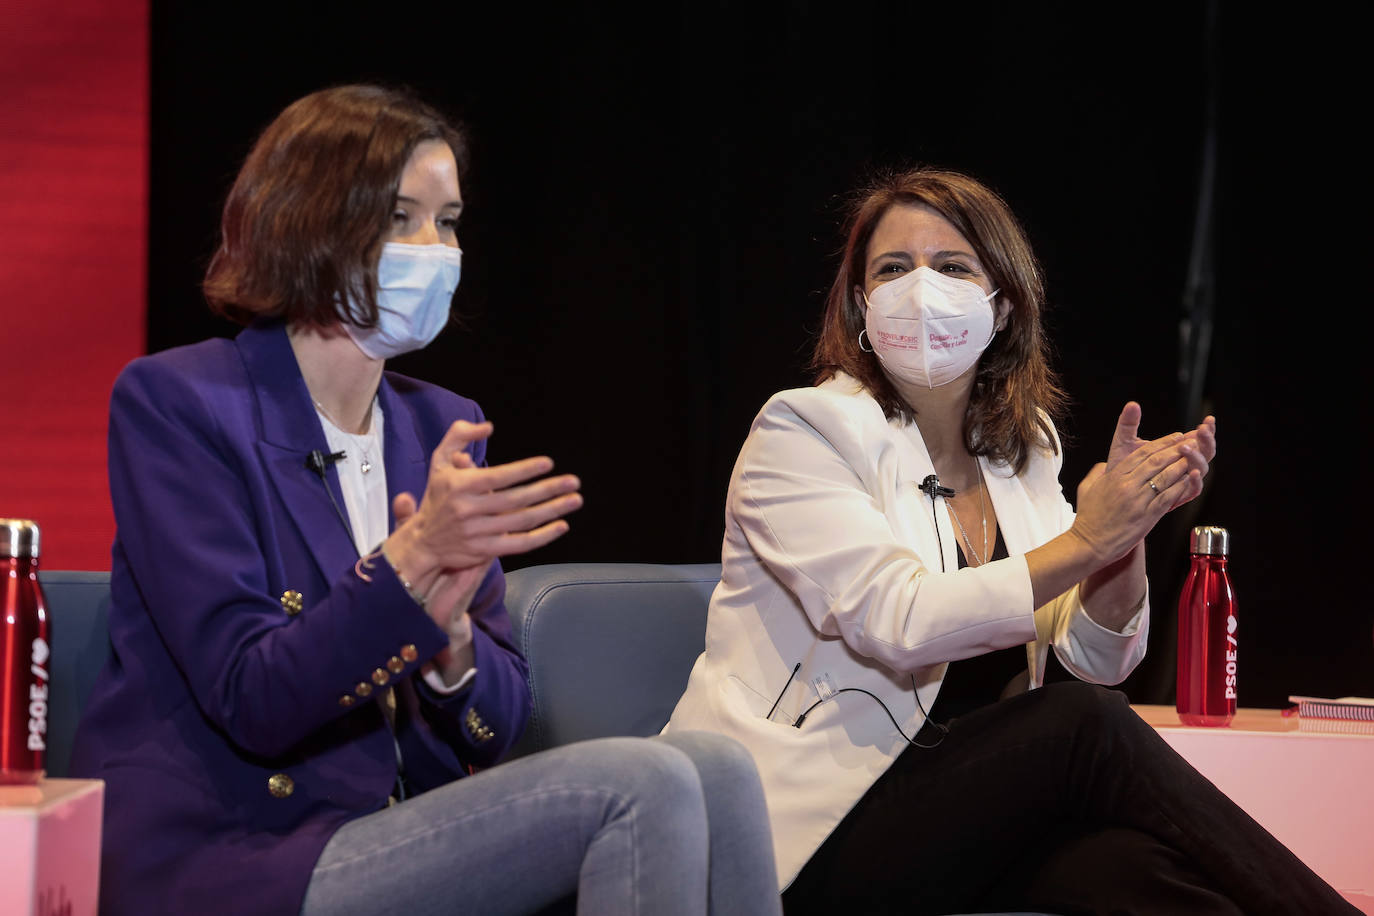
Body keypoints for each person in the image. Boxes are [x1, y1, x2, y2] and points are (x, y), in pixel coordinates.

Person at [69, 84, 780, 916]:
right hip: (236, 852)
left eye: (447, 222)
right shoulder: (179, 402)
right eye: (401, 217)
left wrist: (451, 649)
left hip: (399, 822)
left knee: (720, 769)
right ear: (306, 222)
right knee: (644, 781)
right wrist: (408, 566)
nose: (434, 249)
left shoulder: (441, 421)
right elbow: (253, 699)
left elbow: (499, 718)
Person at [665, 166, 1356, 915]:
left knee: (1149, 875)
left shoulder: (1022, 449)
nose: (920, 288)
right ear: (862, 305)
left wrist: (1124, 537)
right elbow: (900, 621)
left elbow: (1097, 656)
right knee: (1082, 726)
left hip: (963, 812)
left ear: (1001, 306)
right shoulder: (803, 430)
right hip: (804, 829)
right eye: (893, 269)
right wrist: (1090, 539)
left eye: (953, 266)